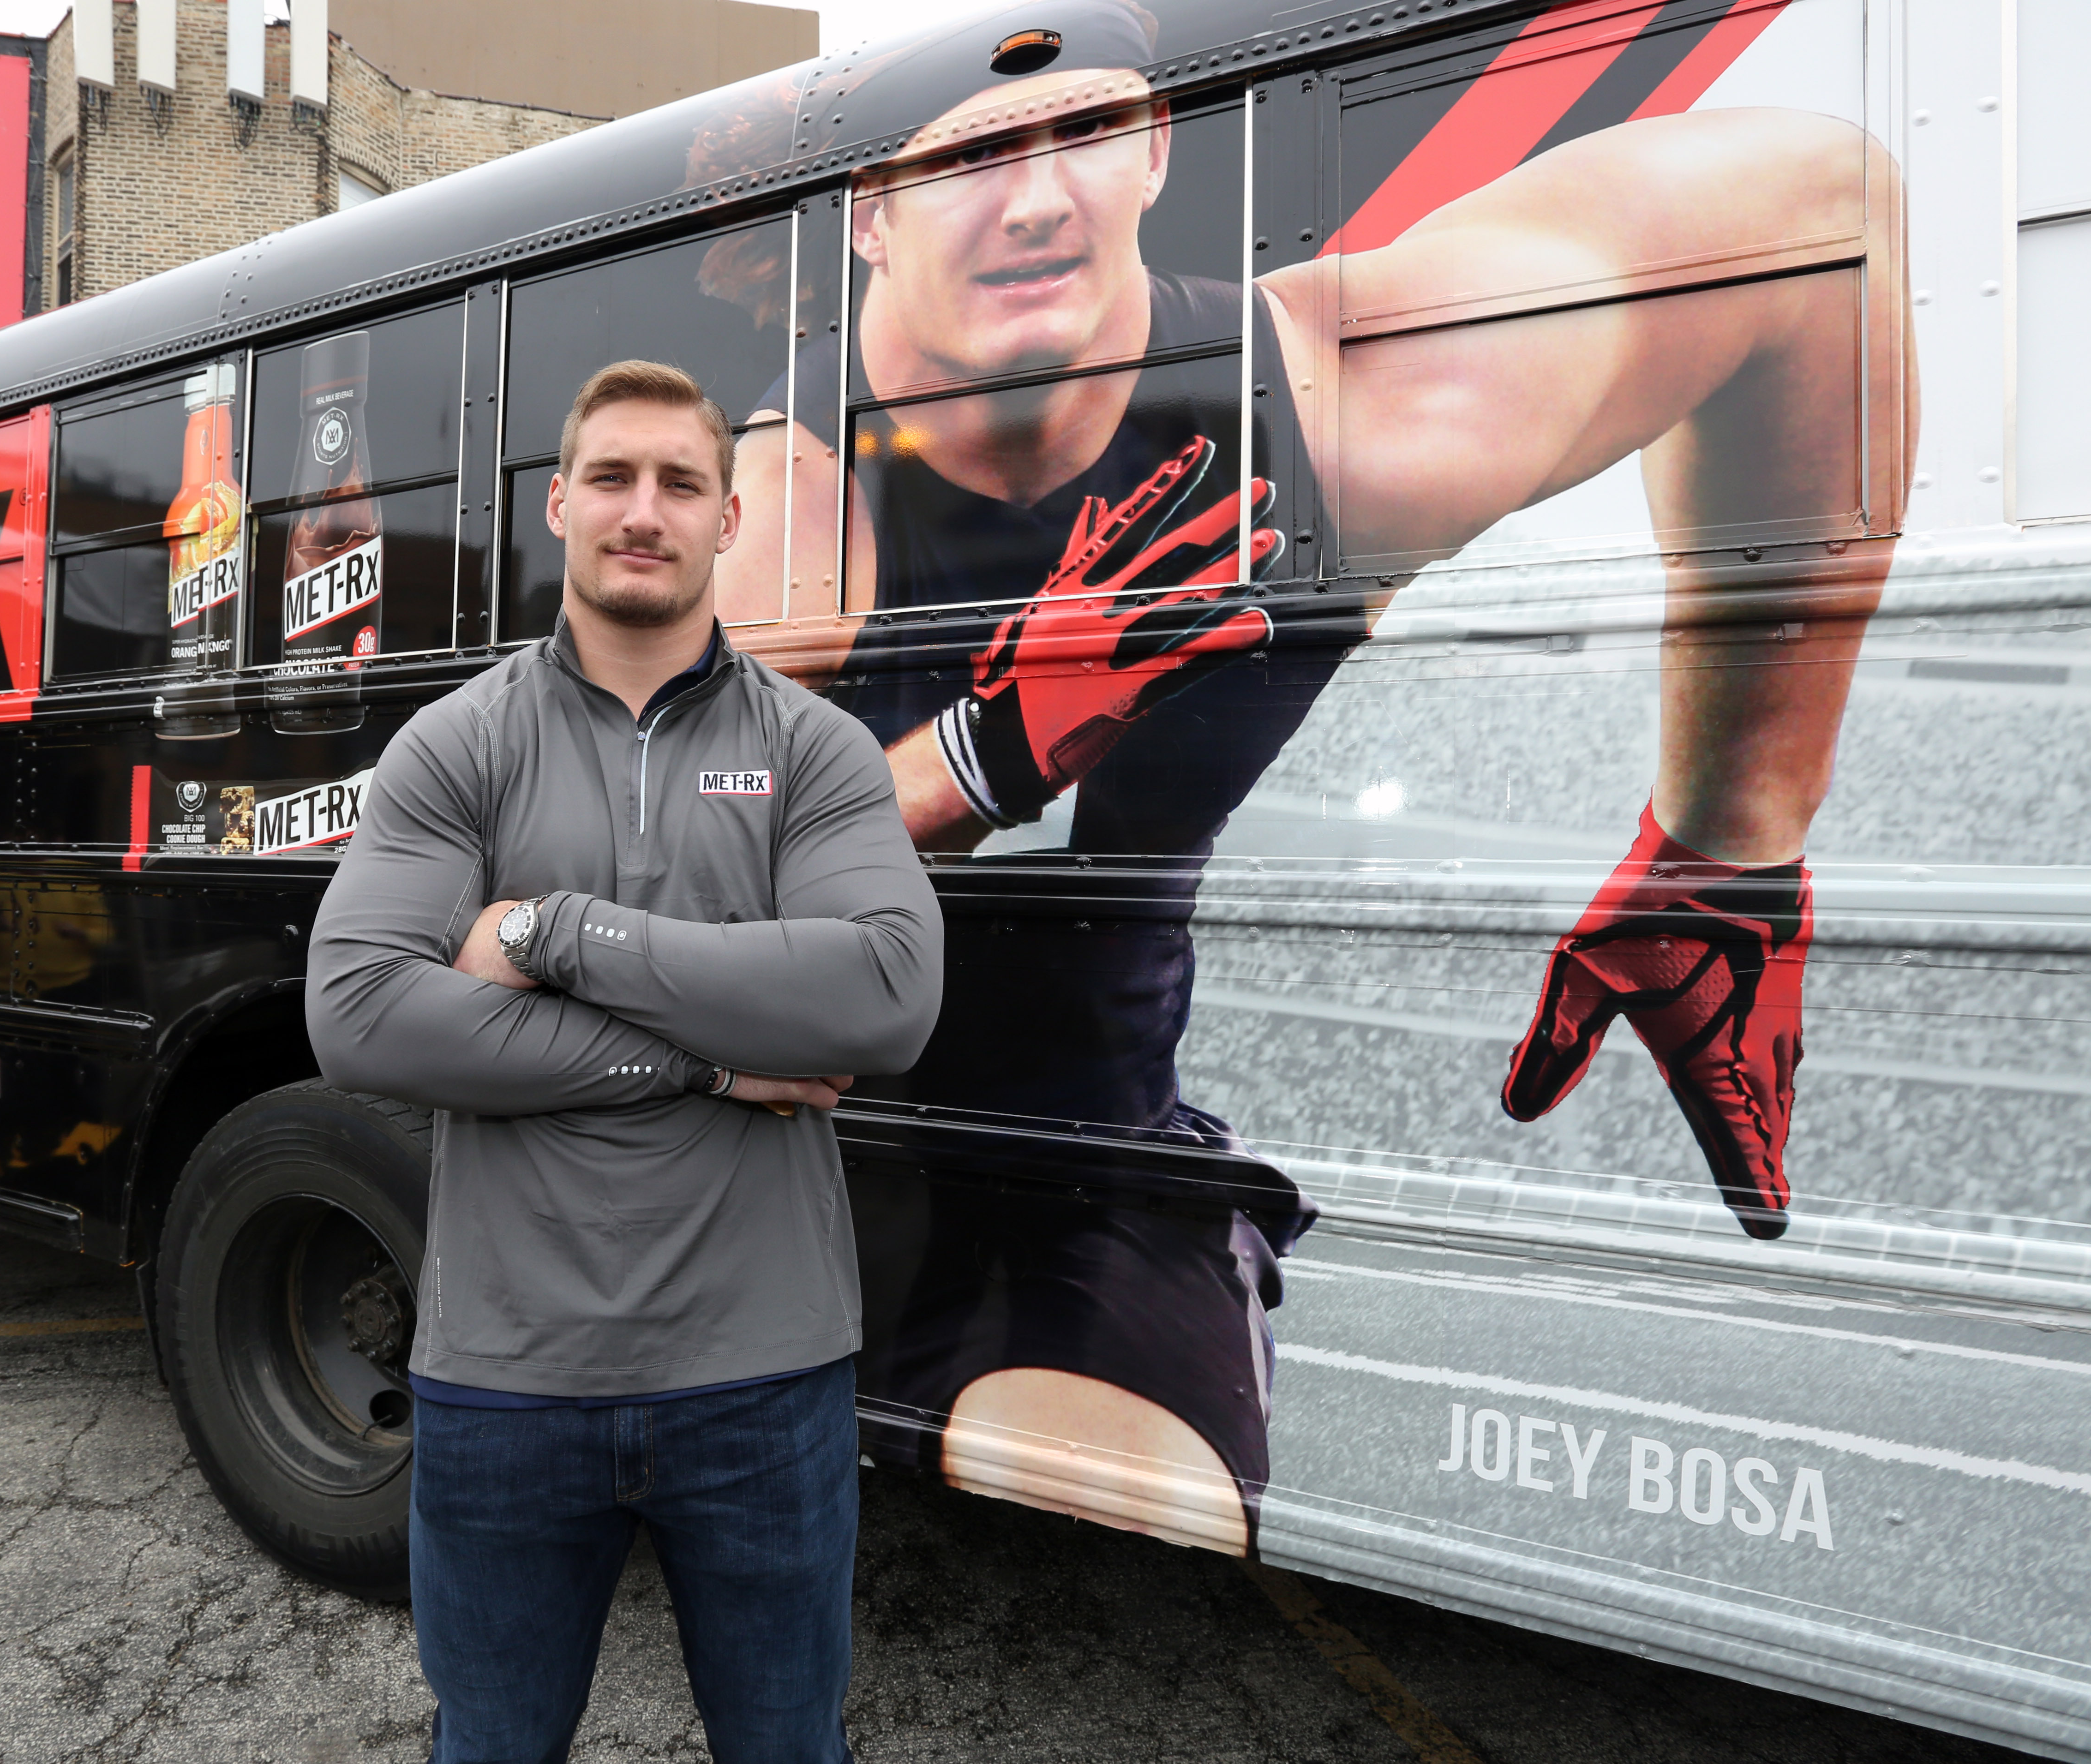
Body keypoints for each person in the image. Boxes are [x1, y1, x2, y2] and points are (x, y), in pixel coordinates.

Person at [707, 1, 1912, 1543]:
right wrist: (986, 750)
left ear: (1154, 148)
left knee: (1152, 1513)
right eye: (975, 156)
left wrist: (1728, 849)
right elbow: (697, 881)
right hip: (774, 1146)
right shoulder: (790, 515)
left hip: (1086, 1154)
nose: (1036, 197)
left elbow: (1827, 216)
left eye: (1087, 131)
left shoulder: (1345, 418)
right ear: (869, 214)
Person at [307, 359, 943, 1764]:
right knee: (494, 1749)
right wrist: (718, 1062)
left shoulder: (818, 754)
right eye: (613, 477)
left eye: (679, 483)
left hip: (765, 1381)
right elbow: (359, 1014)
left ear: (727, 521)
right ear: (559, 506)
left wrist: (554, 930)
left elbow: (886, 998)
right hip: (505, 1381)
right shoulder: (458, 747)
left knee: (787, 1748)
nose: (641, 511)